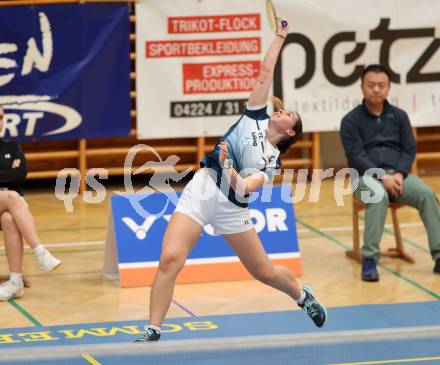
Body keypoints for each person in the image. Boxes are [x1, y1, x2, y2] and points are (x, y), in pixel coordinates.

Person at [135, 18, 327, 343]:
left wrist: (228, 166)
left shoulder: (270, 161)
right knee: (170, 258)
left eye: (289, 115)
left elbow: (244, 187)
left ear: (290, 132)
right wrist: (280, 35)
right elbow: (265, 72)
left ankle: (301, 295)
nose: (282, 112)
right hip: (202, 189)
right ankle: (153, 330)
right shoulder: (254, 113)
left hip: (232, 207)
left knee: (262, 271)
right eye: (282, 110)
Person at [340, 64, 440, 282]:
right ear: (362, 87)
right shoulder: (350, 120)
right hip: (365, 178)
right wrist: (382, 177)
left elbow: (409, 149)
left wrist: (400, 174)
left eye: (381, 85)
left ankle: (439, 255)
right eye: (371, 85)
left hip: (398, 176)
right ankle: (369, 260)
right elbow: (355, 155)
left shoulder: (400, 116)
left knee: (426, 195)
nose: (376, 89)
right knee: (378, 195)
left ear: (388, 87)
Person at [0, 105, 62, 301]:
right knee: (12, 197)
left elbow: (21, 176)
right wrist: (9, 174)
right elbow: (13, 175)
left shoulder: (12, 145)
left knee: (10, 218)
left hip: (7, 204)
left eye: (1, 116)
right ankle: (40, 252)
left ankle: (15, 282)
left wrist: (10, 176)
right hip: (10, 198)